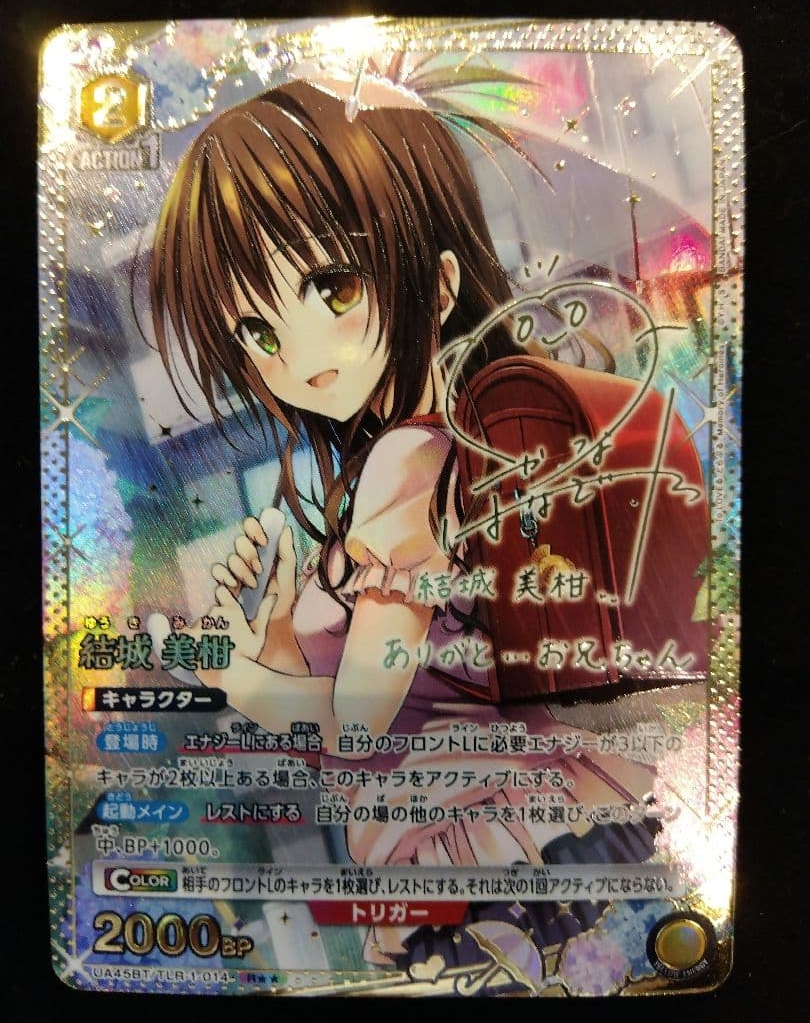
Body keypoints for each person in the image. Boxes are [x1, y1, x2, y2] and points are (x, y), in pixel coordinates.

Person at [150, 77, 660, 964]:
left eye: (333, 288)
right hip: (501, 845)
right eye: (258, 334)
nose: (301, 359)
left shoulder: (408, 462)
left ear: (441, 279)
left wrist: (242, 680)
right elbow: (365, 739)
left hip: (488, 853)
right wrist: (282, 642)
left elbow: (360, 725)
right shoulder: (441, 461)